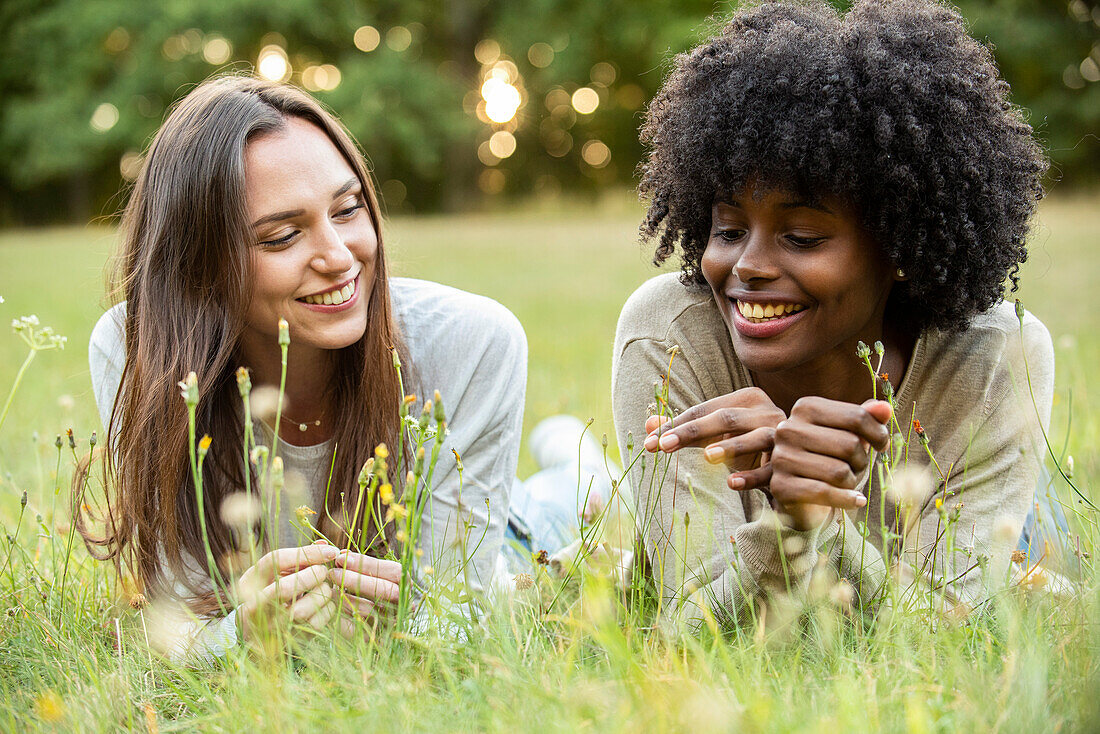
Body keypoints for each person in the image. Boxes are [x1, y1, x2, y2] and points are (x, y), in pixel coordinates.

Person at [612, 0, 1054, 630]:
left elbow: (944, 628)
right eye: (729, 228)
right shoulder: (671, 335)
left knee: (1043, 565)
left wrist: (818, 520)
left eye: (803, 238)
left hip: (1017, 513)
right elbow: (693, 629)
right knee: (555, 523)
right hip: (615, 533)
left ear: (900, 247)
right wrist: (788, 529)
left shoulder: (992, 356)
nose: (749, 266)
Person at [79, 76, 526, 660]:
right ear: (198, 264)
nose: (340, 258)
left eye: (348, 209)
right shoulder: (135, 350)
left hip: (511, 542)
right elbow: (175, 626)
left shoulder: (474, 342)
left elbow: (457, 612)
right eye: (283, 235)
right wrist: (247, 634)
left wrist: (390, 629)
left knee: (550, 521)